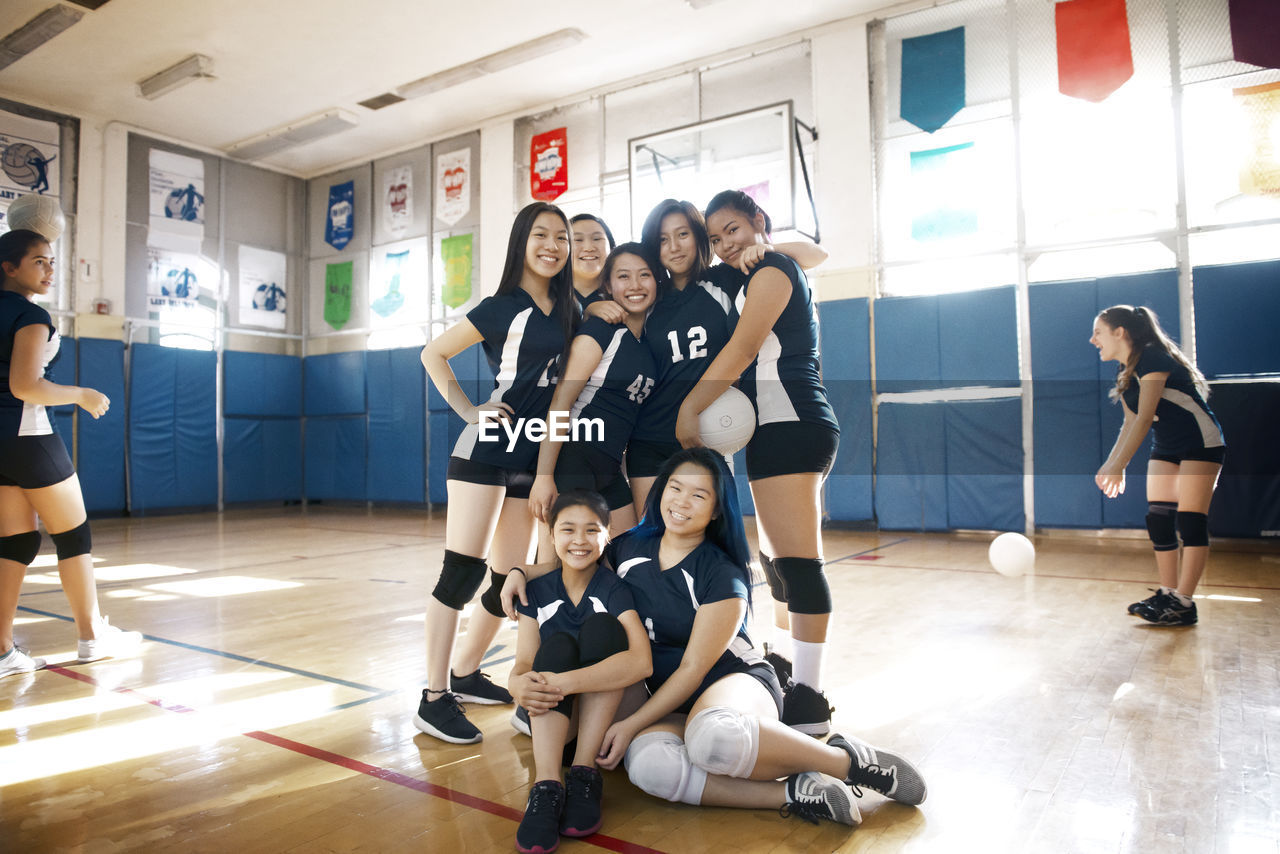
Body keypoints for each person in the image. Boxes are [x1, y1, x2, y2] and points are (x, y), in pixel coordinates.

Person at [507, 449, 926, 829]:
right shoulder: (630, 546)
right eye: (675, 488)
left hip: (729, 682)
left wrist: (632, 722)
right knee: (649, 768)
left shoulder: (721, 573)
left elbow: (694, 668)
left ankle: (845, 761)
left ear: (716, 510)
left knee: (712, 736)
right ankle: (792, 792)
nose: (681, 502)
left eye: (698, 496)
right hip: (658, 692)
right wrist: (520, 573)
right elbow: (574, 560)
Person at [674, 190, 840, 737]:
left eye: (733, 231)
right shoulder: (747, 272)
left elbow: (744, 349)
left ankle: (811, 700)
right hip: (773, 430)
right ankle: (791, 669)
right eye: (716, 239)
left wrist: (692, 407)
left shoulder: (771, 269)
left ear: (757, 222)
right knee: (776, 562)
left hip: (792, 423)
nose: (725, 245)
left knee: (798, 563)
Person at [415, 203, 578, 743]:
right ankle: (433, 697)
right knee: (460, 573)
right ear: (521, 242)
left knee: (508, 580)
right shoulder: (501, 305)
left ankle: (465, 673)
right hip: (485, 449)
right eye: (541, 235)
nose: (552, 245)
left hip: (531, 456)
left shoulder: (569, 308)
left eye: (561, 237)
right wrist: (468, 411)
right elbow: (433, 354)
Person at [629, 199, 828, 515]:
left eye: (683, 234)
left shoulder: (727, 278)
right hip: (649, 436)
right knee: (650, 543)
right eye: (663, 240)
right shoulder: (649, 295)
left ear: (699, 236)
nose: (674, 247)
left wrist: (767, 249)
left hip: (710, 433)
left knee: (707, 544)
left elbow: (817, 255)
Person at [1, 229, 141, 679]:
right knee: (74, 536)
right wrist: (80, 394)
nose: (49, 269)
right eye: (39, 261)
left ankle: (2, 651)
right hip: (31, 434)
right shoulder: (30, 315)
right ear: (9, 267)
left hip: (0, 443)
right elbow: (24, 385)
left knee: (16, 541)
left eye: (51, 261)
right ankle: (92, 637)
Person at [509, 490, 651, 854]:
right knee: (555, 647)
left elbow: (641, 662)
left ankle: (585, 773)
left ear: (607, 535)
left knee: (604, 630)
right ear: (552, 535)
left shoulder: (613, 589)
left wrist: (566, 682)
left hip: (596, 719)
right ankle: (547, 786)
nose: (579, 540)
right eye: (568, 529)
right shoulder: (536, 592)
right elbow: (525, 662)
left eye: (591, 530)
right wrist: (515, 684)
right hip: (548, 718)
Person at [1091, 305, 1225, 626]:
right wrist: (1112, 463)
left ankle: (1184, 601)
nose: (1093, 340)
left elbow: (1144, 419)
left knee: (1191, 521)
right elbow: (1130, 422)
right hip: (1167, 445)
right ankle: (1167, 592)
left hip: (1200, 442)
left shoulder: (1152, 358)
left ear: (1119, 332)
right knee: (1159, 517)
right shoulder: (1126, 370)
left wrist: (1120, 464)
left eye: (1098, 332)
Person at [529, 243, 659, 536]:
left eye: (645, 275)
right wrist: (544, 476)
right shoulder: (601, 330)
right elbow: (561, 402)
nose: (635, 285)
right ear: (608, 285)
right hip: (573, 458)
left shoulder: (649, 344)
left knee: (624, 559)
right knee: (562, 570)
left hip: (610, 468)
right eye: (624, 276)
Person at [568, 214, 615, 313]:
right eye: (577, 239)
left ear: (611, 247)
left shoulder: (623, 295)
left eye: (597, 239)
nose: (588, 248)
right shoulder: (548, 297)